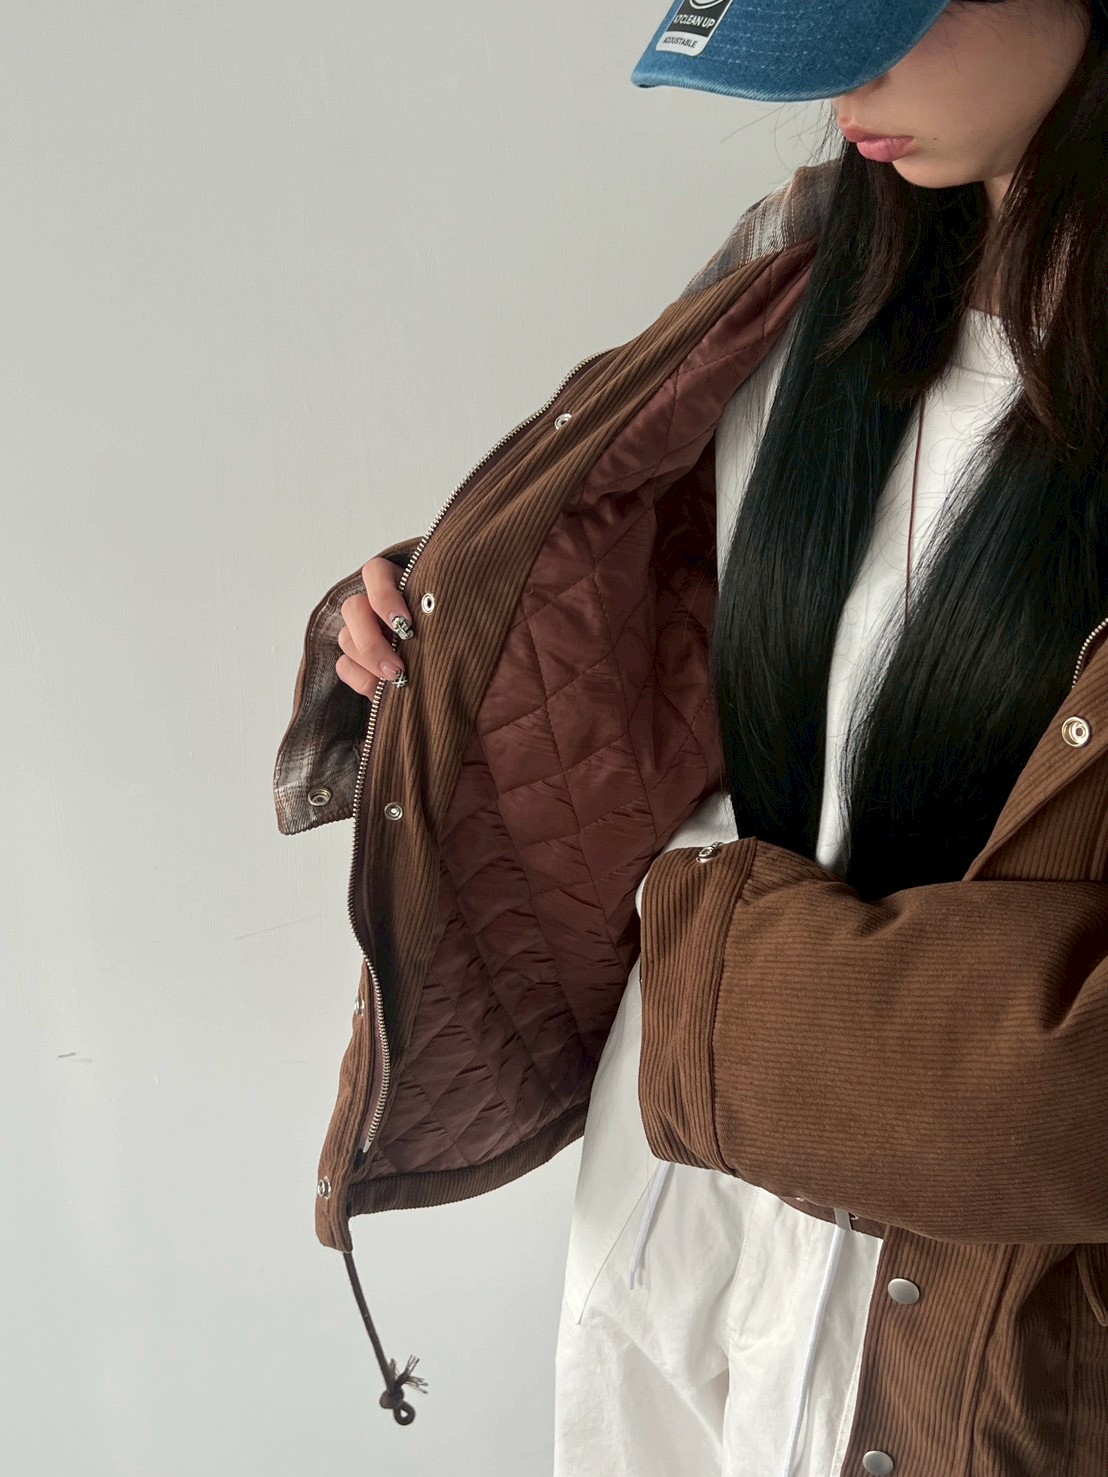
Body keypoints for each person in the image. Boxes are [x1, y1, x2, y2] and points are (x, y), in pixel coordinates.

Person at [274, 1, 1108, 1472]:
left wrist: (727, 1007)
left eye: (882, 14)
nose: (842, 83)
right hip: (683, 1200)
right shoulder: (803, 258)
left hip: (978, 1299)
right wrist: (442, 621)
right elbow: (700, 621)